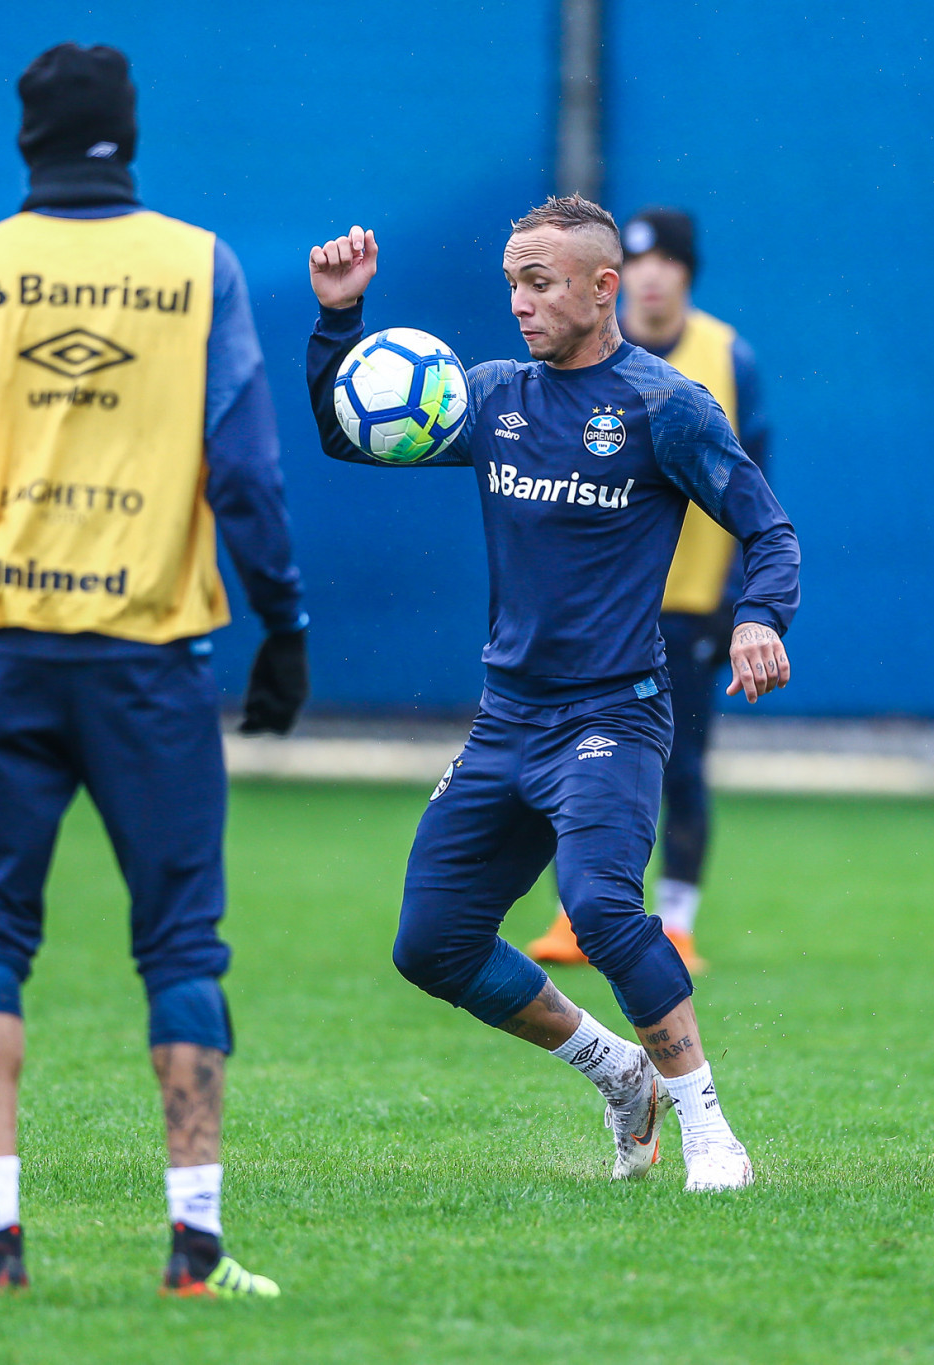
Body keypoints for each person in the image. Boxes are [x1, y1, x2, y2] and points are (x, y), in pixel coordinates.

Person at [0, 44, 303, 1296]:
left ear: (25, 142)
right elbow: (248, 474)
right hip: (152, 657)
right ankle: (195, 1257)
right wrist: (286, 628)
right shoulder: (198, 266)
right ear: (130, 135)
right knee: (181, 953)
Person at [304, 196, 800, 1192]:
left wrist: (759, 616)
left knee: (600, 908)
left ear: (601, 287)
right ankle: (616, 1072)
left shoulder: (665, 406)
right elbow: (348, 437)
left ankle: (710, 1131)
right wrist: (338, 323)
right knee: (430, 944)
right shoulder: (489, 397)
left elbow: (769, 529)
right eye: (512, 284)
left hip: (611, 714)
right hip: (507, 719)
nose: (520, 303)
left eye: (538, 282)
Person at [526, 206, 771, 973]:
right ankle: (574, 913)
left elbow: (756, 491)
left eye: (668, 260)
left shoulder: (727, 356)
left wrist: (741, 600)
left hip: (691, 602)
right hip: (599, 604)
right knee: (572, 761)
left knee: (683, 765)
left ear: (687, 274)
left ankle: (677, 919)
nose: (653, 275)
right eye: (640, 262)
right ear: (613, 279)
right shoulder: (584, 355)